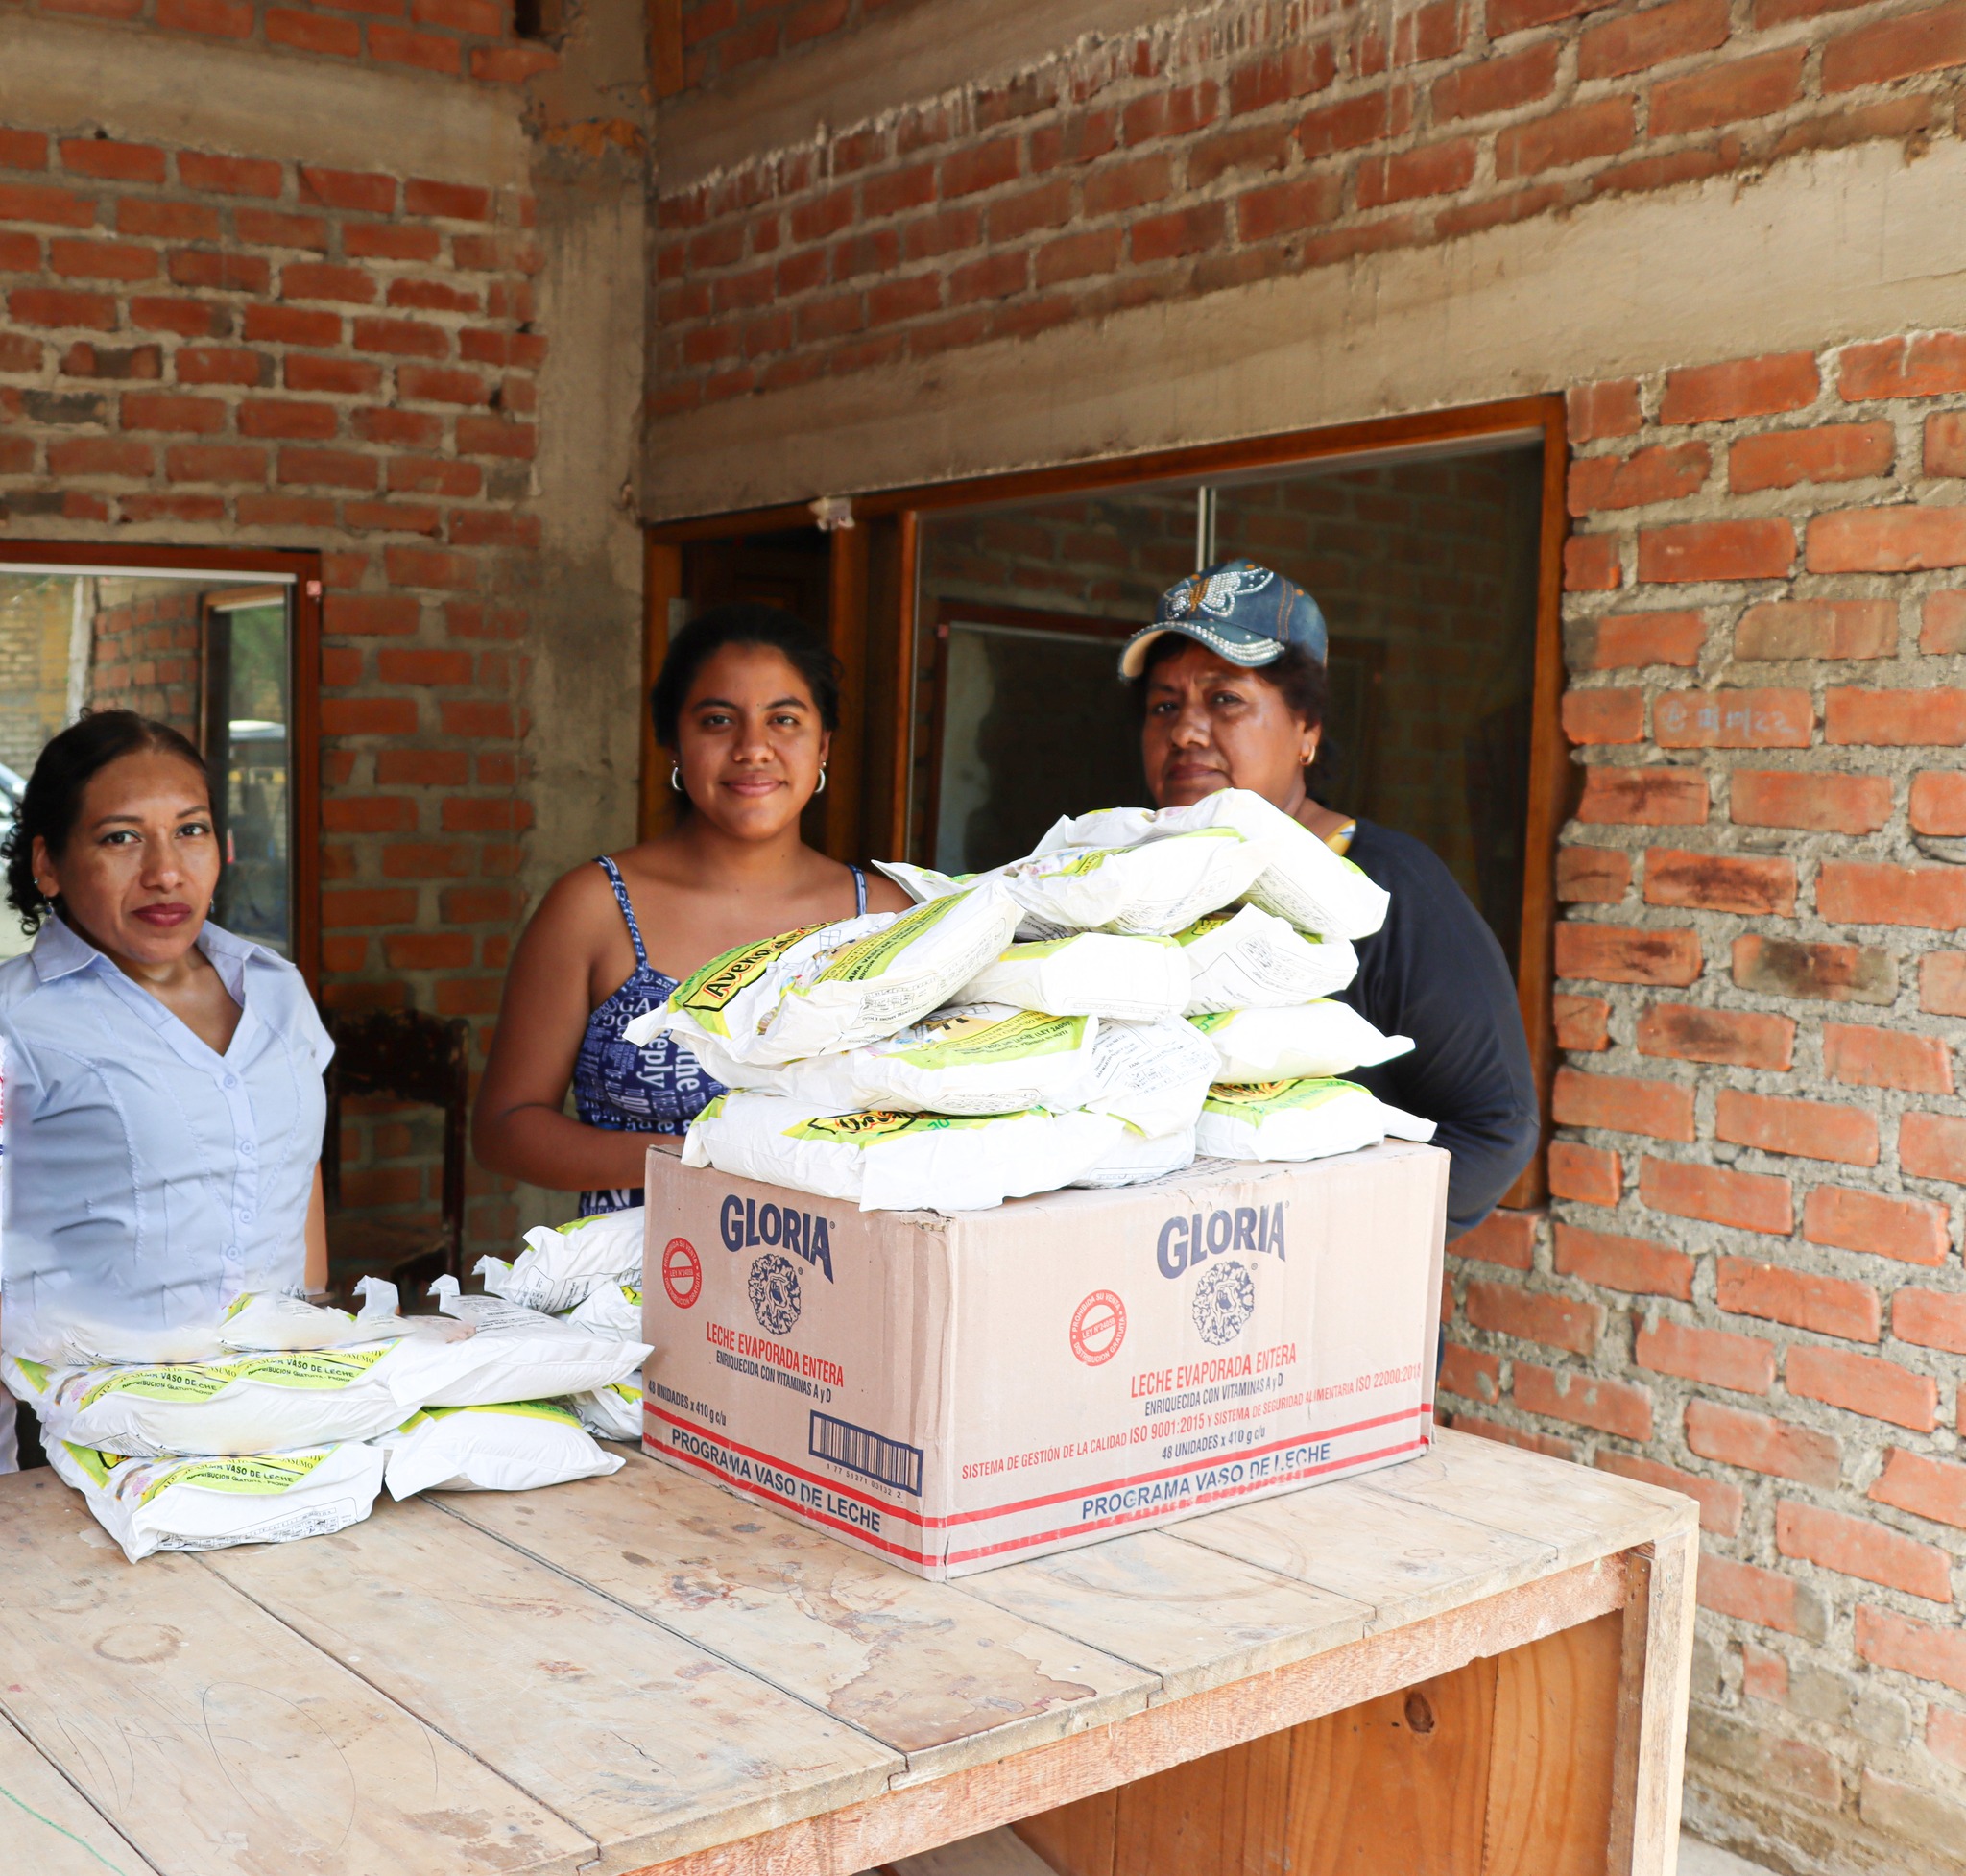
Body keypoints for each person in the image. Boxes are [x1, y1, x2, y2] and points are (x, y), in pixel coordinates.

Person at [1121, 559, 1539, 1239]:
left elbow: (1497, 1128)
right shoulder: (1127, 885)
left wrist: (1324, 1253)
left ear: (1306, 730)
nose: (1185, 732)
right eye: (1164, 706)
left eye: (1225, 699)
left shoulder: (1387, 887)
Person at [475, 603, 911, 1214]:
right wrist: (699, 1156)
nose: (753, 748)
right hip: (635, 1287)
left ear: (824, 746)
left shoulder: (884, 917)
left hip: (834, 1281)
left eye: (783, 719)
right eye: (717, 720)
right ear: (673, 743)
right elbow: (505, 1130)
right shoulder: (593, 907)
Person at [0, 711, 332, 1472]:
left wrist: (316, 1339)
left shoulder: (276, 991)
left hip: (273, 1414)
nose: (165, 872)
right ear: (47, 863)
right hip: (87, 1440)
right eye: (121, 838)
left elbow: (295, 1174)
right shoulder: (17, 1021)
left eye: (190, 831)